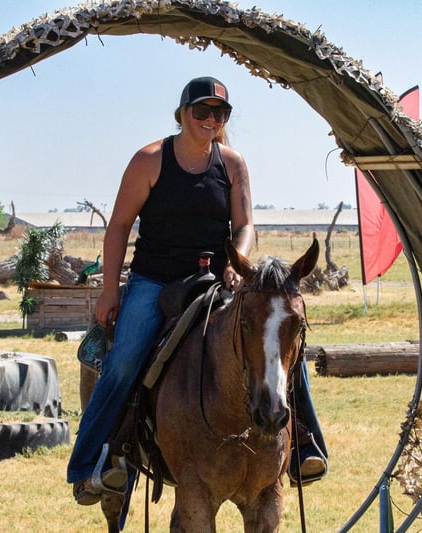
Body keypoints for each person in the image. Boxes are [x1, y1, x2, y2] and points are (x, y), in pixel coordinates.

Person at [67, 76, 328, 507]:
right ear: (183, 113)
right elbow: (119, 227)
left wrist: (237, 263)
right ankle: (93, 463)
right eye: (202, 111)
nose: (211, 120)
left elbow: (244, 225)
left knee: (279, 337)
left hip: (216, 280)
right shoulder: (150, 160)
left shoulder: (232, 163)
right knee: (125, 358)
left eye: (219, 113)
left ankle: (303, 445)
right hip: (155, 281)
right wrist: (110, 290)